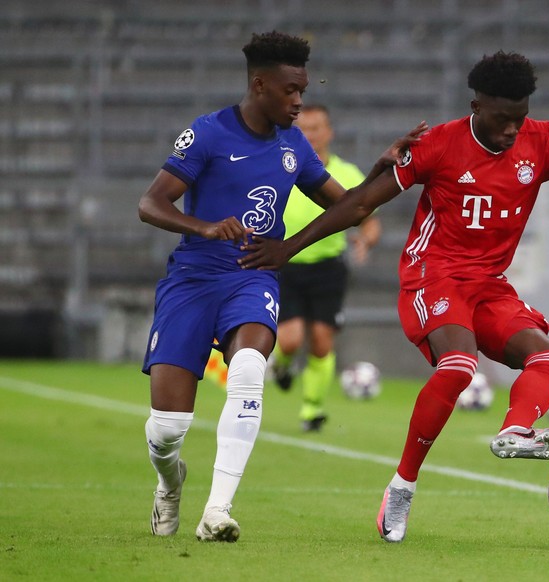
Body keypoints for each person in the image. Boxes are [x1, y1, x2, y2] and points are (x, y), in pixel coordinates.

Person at [239, 51, 549, 542]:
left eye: (520, 118)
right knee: (459, 365)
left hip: (489, 284)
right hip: (433, 275)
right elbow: (362, 202)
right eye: (501, 119)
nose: (513, 130)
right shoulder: (440, 143)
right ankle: (402, 486)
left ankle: (514, 430)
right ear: (476, 105)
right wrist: (288, 248)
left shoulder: (546, 140)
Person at [138, 31, 424, 542]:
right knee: (167, 432)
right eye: (291, 91)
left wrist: (384, 170)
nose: (299, 102)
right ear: (260, 84)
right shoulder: (207, 133)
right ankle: (169, 481)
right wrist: (202, 226)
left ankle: (217, 511)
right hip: (192, 279)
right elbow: (151, 203)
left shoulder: (294, 145)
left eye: (303, 91)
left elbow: (349, 204)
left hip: (253, 275)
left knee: (250, 368)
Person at [271, 104, 382, 432]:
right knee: (289, 340)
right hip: (286, 263)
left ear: (329, 132)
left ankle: (312, 410)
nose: (310, 135)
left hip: (328, 268)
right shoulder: (279, 168)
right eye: (303, 128)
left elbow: (370, 220)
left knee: (321, 340)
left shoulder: (347, 175)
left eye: (316, 128)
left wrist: (365, 240)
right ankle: (282, 366)